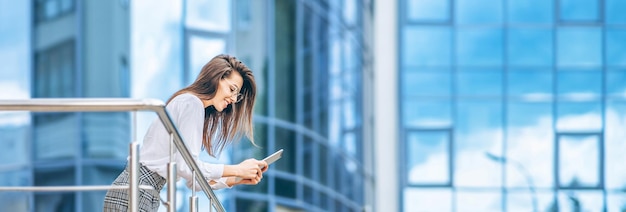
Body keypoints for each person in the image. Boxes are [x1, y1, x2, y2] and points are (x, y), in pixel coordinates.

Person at [103, 54, 268, 211]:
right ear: (217, 78)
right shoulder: (192, 103)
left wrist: (238, 179)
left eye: (236, 95)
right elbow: (187, 168)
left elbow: (193, 180)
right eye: (232, 89)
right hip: (138, 190)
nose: (233, 99)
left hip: (141, 191)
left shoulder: (191, 104)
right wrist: (237, 169)